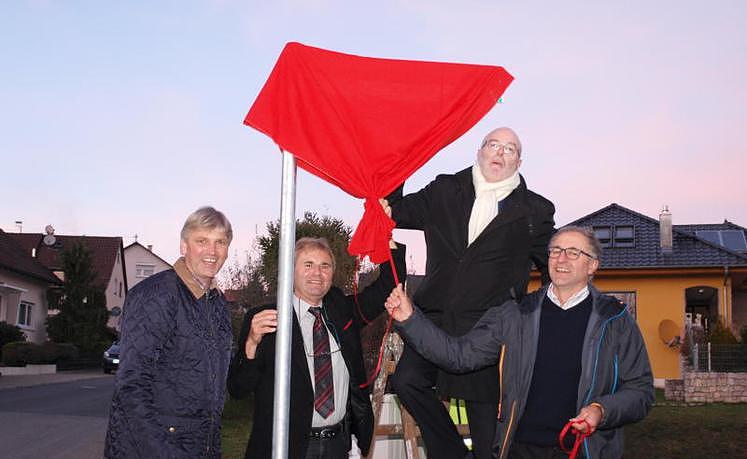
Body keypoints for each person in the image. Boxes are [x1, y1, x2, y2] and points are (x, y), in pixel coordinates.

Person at [385, 226, 654, 459]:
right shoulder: (516, 313)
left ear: (592, 265)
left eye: (573, 252)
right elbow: (459, 355)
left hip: (583, 449)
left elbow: (640, 391)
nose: (561, 259)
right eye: (555, 250)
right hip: (519, 448)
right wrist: (411, 319)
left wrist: (601, 410)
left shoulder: (615, 320)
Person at [381, 127, 555, 458]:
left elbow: (553, 266)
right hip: (435, 317)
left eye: (510, 149)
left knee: (487, 431)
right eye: (494, 144)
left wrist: (534, 316)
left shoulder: (535, 210)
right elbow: (397, 210)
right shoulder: (445, 189)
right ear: (480, 151)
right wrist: (398, 161)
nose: (501, 152)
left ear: (519, 161)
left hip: (489, 330)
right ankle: (452, 452)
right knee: (407, 381)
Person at [227, 237, 406, 459]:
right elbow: (238, 388)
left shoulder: (343, 312)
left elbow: (389, 284)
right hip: (287, 447)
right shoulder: (266, 320)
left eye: (325, 266)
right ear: (291, 271)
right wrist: (252, 343)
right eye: (308, 265)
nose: (317, 273)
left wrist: (385, 234)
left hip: (338, 446)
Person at [105, 206, 234, 459]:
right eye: (202, 241)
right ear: (184, 247)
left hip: (200, 445)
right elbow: (131, 386)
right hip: (153, 448)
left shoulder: (217, 303)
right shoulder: (156, 295)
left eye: (220, 242)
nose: (212, 251)